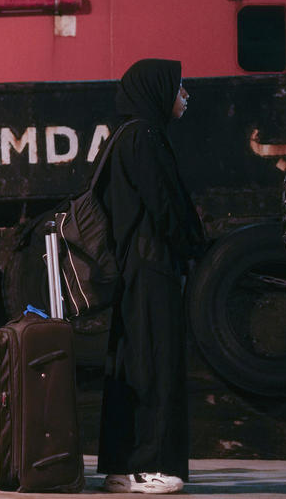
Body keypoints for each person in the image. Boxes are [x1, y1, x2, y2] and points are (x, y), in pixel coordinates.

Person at [97, 59, 204, 494]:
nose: (185, 96)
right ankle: (152, 464)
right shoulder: (146, 135)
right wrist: (195, 247)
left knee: (131, 363)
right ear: (157, 92)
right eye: (179, 88)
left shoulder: (123, 135)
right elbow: (165, 204)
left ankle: (123, 466)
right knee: (158, 365)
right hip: (153, 265)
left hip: (131, 267)